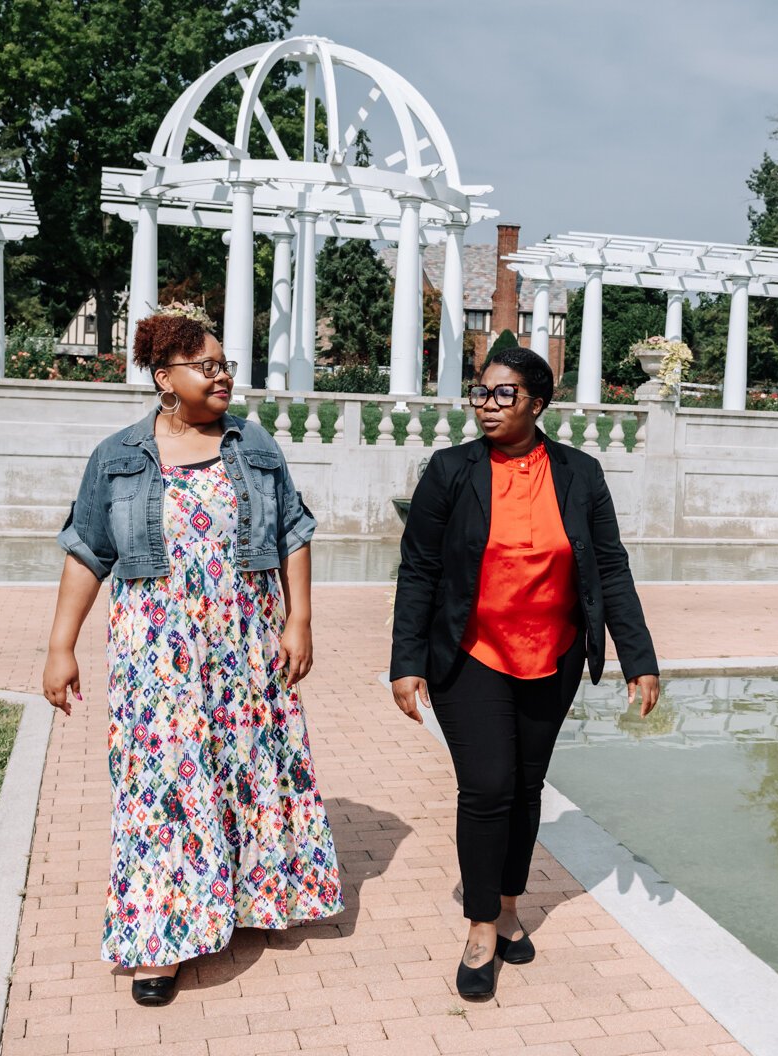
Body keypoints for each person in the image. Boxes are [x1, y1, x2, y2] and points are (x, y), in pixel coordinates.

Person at [41, 303, 342, 1007]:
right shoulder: (118, 458)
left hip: (245, 639)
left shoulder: (255, 447)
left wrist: (300, 620)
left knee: (249, 765)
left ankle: (249, 898)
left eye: (225, 364)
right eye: (206, 367)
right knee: (160, 785)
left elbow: (294, 533)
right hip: (156, 651)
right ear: (164, 377)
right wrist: (61, 646)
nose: (223, 376)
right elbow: (87, 551)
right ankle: (159, 942)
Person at [389, 347, 660, 999]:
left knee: (526, 786)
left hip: (554, 654)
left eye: (502, 394)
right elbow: (420, 567)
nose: (486, 404)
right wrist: (406, 661)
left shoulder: (579, 474)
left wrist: (638, 656)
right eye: (480, 393)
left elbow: (611, 568)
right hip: (469, 653)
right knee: (487, 786)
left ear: (538, 404)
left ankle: (510, 905)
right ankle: (482, 925)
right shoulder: (451, 471)